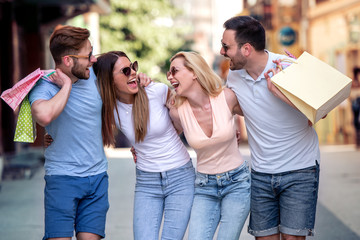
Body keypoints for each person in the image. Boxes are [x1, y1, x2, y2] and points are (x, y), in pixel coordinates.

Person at [220, 16, 321, 240]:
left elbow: (319, 112)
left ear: (246, 49)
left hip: (300, 169)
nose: (221, 51)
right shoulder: (234, 76)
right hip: (261, 174)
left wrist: (280, 92)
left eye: (226, 46)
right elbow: (238, 106)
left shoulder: (287, 67)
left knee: (292, 238)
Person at [93, 51, 195, 240]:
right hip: (147, 182)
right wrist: (52, 137)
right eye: (125, 70)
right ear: (109, 79)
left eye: (133, 67)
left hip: (180, 176)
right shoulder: (110, 108)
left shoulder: (156, 91)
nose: (132, 72)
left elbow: (182, 121)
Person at [29, 25, 109, 240]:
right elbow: (43, 116)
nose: (93, 59)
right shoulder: (44, 86)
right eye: (88, 55)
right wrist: (66, 86)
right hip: (62, 178)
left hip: (97, 177)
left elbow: (127, 79)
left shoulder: (93, 75)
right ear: (68, 60)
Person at [167, 51, 251, 240]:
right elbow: (166, 138)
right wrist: (137, 148)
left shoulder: (227, 97)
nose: (170, 77)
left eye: (175, 71)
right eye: (168, 74)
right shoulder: (177, 111)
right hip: (204, 186)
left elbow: (260, 114)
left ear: (194, 72)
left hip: (237, 182)